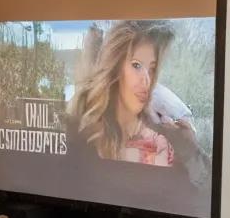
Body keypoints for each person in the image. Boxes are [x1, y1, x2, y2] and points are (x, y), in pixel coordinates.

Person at [69, 20, 178, 166]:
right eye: (136, 65)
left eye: (152, 69)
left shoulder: (160, 142)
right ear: (115, 68)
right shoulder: (82, 126)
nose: (147, 80)